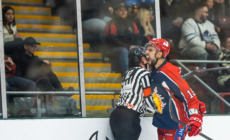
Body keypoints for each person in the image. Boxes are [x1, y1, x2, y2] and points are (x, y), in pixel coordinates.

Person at [145, 38, 206, 140]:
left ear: (159, 54)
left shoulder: (169, 72)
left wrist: (196, 117)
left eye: (150, 50)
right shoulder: (153, 71)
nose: (146, 52)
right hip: (163, 122)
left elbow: (189, 96)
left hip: (176, 124)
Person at [110, 46, 156, 140]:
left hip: (116, 116)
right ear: (142, 59)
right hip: (129, 117)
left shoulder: (127, 73)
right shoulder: (145, 74)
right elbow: (149, 103)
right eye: (146, 57)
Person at [105, 2, 142, 76]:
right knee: (124, 51)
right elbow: (113, 40)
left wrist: (136, 45)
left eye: (125, 10)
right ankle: (126, 77)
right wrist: (128, 47)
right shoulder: (111, 23)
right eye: (121, 10)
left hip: (129, 47)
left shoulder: (131, 23)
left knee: (142, 50)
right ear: (116, 12)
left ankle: (141, 76)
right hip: (113, 48)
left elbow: (138, 36)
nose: (123, 12)